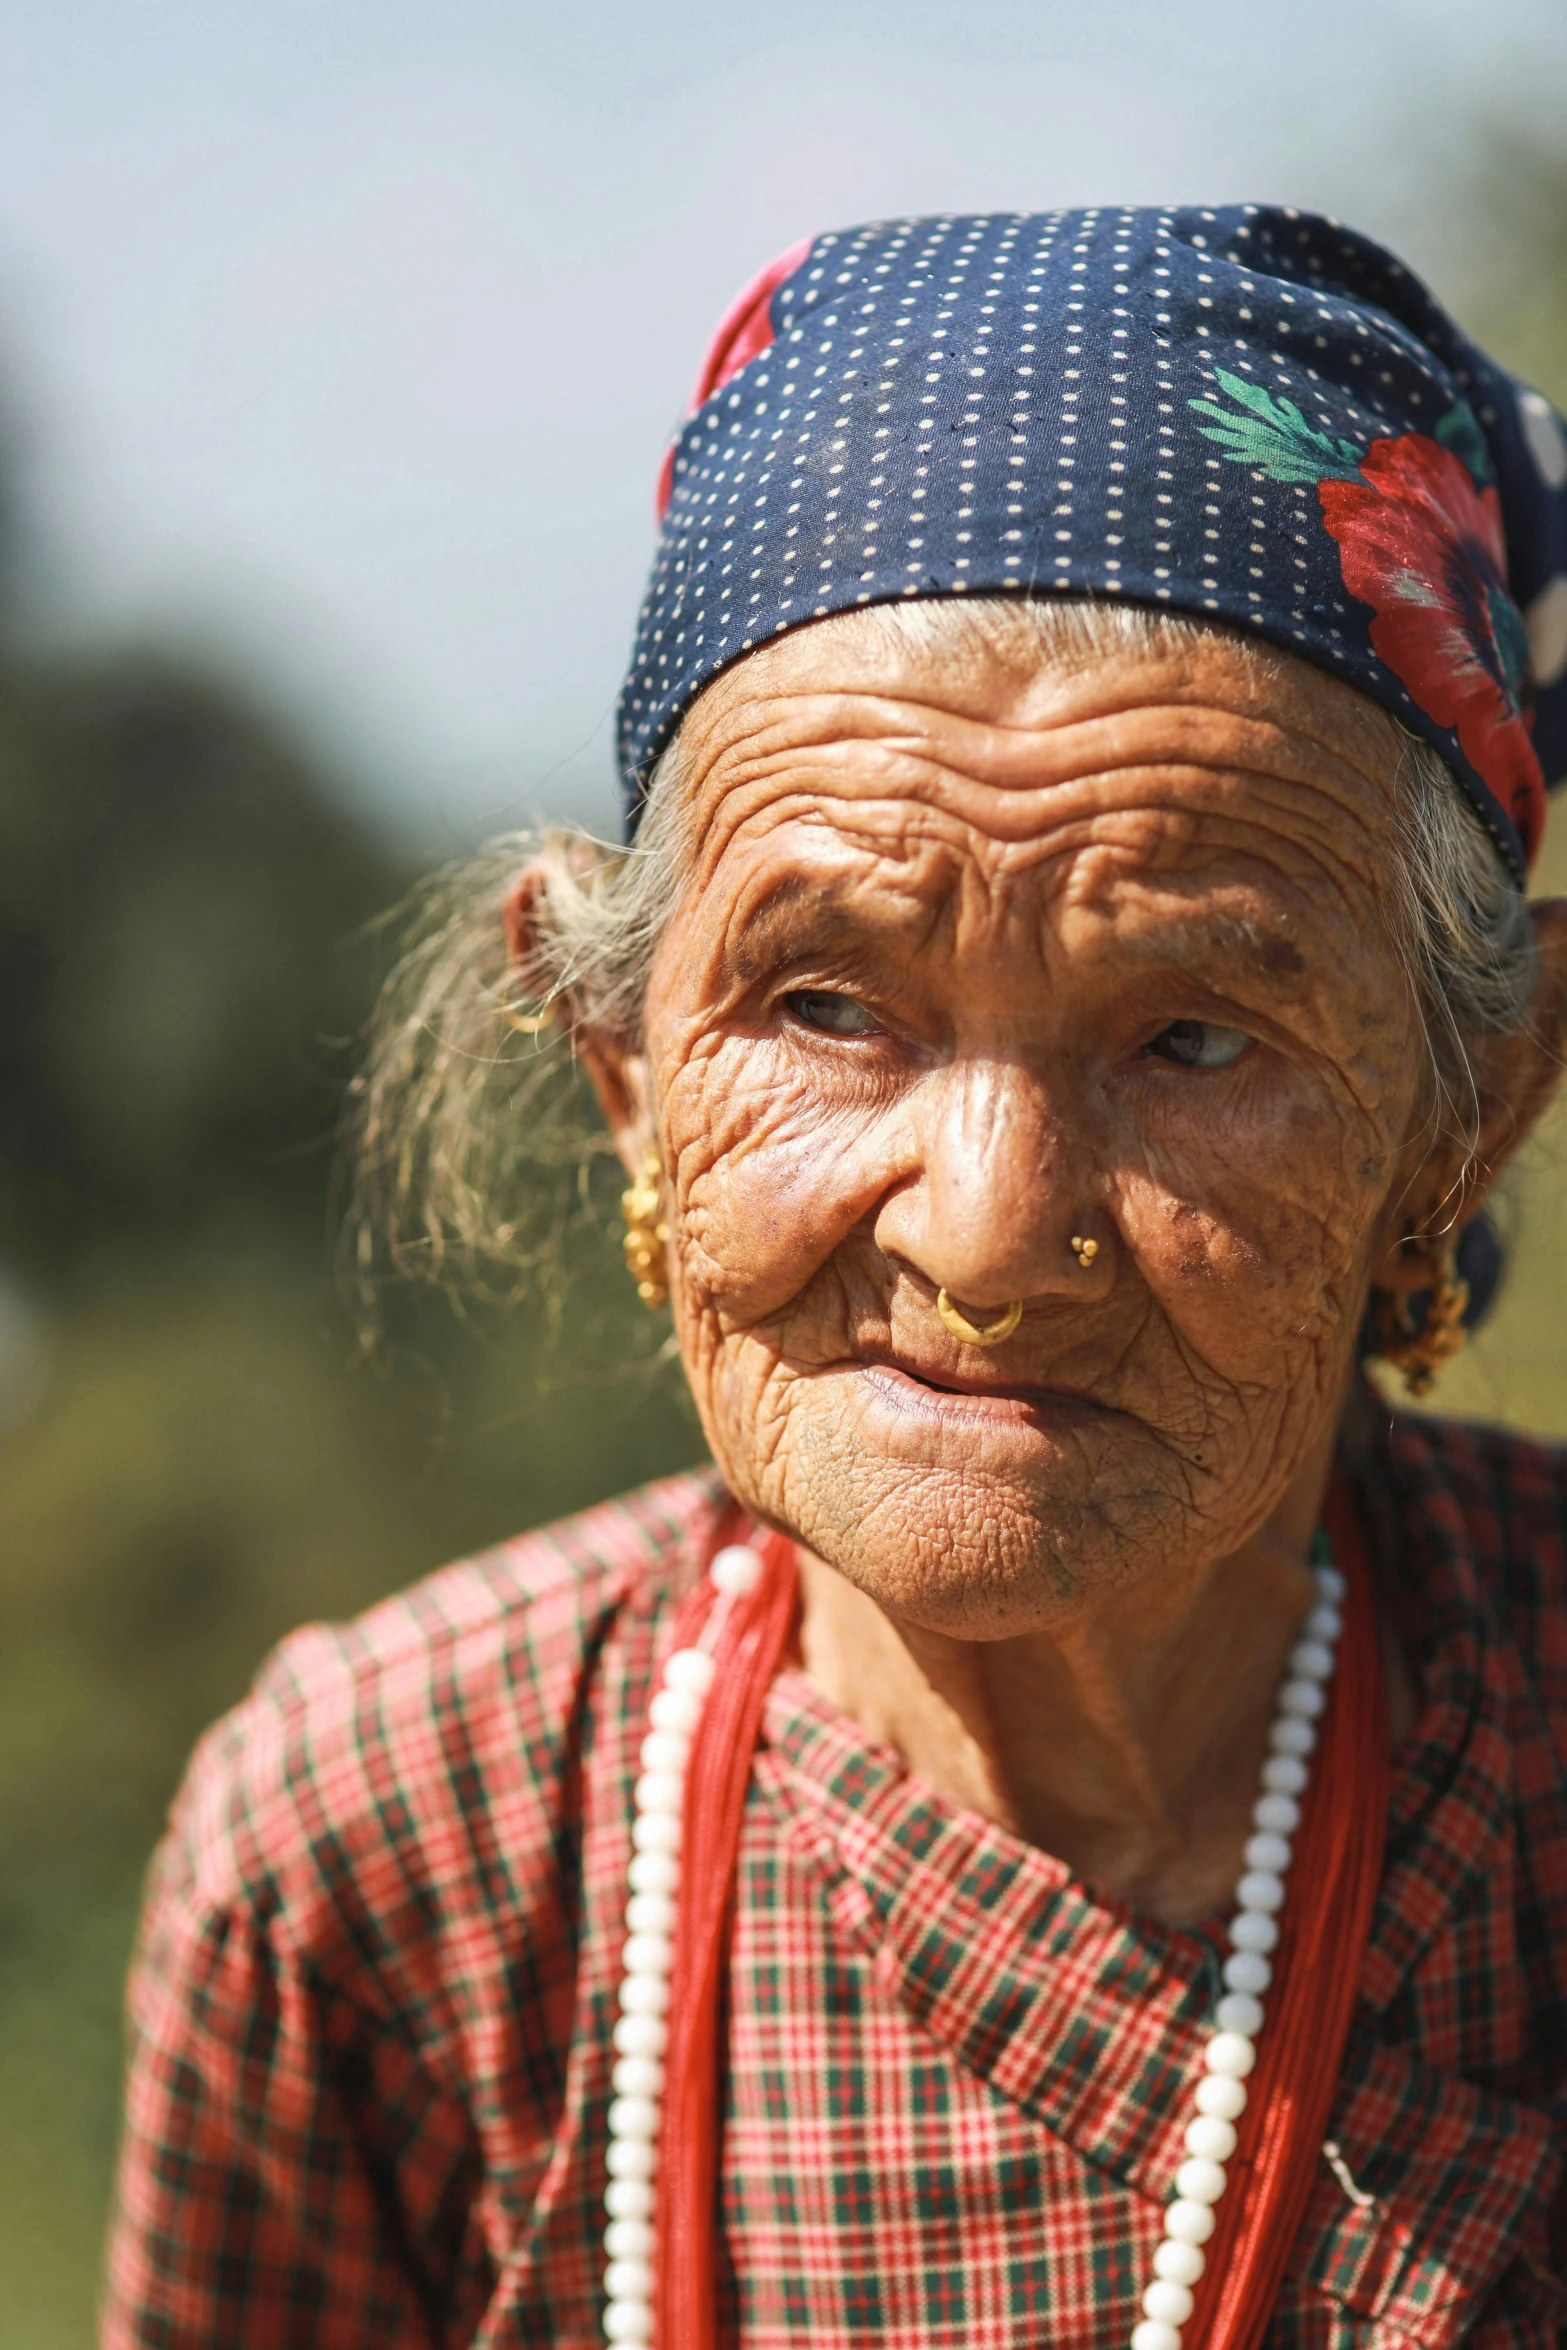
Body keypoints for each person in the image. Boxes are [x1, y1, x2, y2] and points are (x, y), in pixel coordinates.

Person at [104, 208, 1567, 2349]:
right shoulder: (383, 1866)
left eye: (1195, 1036)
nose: (981, 1233)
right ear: (621, 1067)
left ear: (1466, 1108)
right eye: (823, 1006)